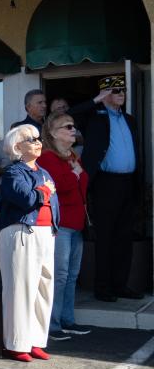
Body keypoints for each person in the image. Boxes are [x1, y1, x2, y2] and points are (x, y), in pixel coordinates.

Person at [68, 75, 142, 301]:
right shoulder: (94, 117)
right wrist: (97, 100)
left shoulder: (129, 119)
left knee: (124, 237)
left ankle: (120, 285)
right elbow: (69, 115)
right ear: (104, 94)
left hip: (128, 183)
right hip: (105, 184)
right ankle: (103, 288)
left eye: (123, 90)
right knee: (106, 237)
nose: (121, 94)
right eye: (115, 90)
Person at [0, 124, 58, 362]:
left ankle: (35, 340)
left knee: (43, 288)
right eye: (31, 139)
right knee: (20, 289)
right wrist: (43, 191)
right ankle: (16, 343)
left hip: (44, 234)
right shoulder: (14, 172)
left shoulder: (43, 171)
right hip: (22, 233)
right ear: (17, 146)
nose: (38, 142)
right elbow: (26, 199)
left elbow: (53, 202)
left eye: (38, 138)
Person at [38, 113, 91, 341]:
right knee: (58, 275)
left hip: (76, 222)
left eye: (73, 125)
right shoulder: (47, 157)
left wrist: (76, 175)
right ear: (53, 132)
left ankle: (67, 319)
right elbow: (58, 186)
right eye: (67, 126)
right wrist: (75, 175)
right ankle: (52, 323)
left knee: (71, 275)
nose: (73, 129)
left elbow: (84, 181)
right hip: (60, 224)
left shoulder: (71, 155)